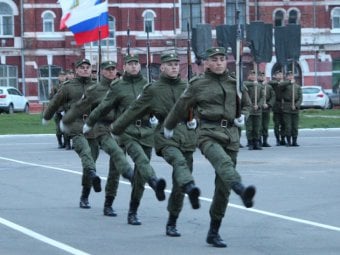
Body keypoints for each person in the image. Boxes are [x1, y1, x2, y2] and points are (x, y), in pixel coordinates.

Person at [163, 47, 256, 248]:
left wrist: (243, 117)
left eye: (222, 59)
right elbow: (181, 106)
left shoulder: (235, 83)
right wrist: (169, 126)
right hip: (208, 133)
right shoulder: (198, 84)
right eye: (215, 60)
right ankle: (240, 188)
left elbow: (247, 105)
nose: (219, 63)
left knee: (223, 188)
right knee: (222, 163)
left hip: (231, 135)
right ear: (207, 63)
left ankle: (214, 232)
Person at [110, 53, 200, 236]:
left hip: (179, 137)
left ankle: (172, 221)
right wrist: (116, 128)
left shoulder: (187, 87)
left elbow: (200, 107)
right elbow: (132, 110)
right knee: (145, 168)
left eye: (176, 64)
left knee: (177, 183)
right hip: (151, 135)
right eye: (170, 64)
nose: (174, 67)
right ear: (162, 68)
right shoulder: (152, 89)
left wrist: (195, 120)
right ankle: (134, 208)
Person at [83, 54, 167, 225]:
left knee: (140, 173)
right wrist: (90, 122)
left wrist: (156, 117)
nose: (134, 66)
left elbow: (159, 105)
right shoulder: (118, 86)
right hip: (124, 131)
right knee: (117, 169)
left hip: (145, 131)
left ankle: (133, 211)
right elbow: (104, 106)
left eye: (136, 63)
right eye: (130, 64)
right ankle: (109, 203)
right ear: (126, 67)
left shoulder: (147, 86)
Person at [62, 60, 135, 216]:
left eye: (113, 69)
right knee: (91, 161)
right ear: (102, 72)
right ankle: (85, 195)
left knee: (116, 167)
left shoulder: (122, 88)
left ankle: (109, 203)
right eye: (107, 70)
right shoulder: (95, 89)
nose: (111, 72)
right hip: (96, 129)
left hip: (117, 130)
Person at [42, 58, 102, 208]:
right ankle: (93, 176)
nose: (85, 70)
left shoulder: (96, 86)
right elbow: (55, 102)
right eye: (82, 67)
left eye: (88, 67)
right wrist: (47, 116)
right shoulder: (68, 87)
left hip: (92, 126)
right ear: (77, 70)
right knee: (85, 153)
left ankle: (85, 195)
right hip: (75, 125)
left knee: (90, 162)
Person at [279, 71, 302, 146]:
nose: (290, 77)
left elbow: (300, 97)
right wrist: (289, 82)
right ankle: (288, 141)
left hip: (295, 107)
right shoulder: (285, 85)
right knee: (288, 126)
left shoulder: (297, 86)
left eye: (291, 75)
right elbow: (280, 85)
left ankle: (294, 141)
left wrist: (296, 105)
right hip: (287, 107)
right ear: (286, 77)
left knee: (295, 126)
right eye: (289, 76)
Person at [244, 70, 265, 150]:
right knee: (249, 128)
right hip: (249, 110)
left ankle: (256, 143)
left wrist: (258, 105)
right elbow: (243, 86)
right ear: (248, 76)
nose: (253, 76)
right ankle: (250, 143)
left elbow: (263, 97)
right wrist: (253, 83)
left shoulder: (259, 86)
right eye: (251, 75)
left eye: (254, 75)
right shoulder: (246, 84)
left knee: (257, 128)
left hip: (257, 110)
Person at [49, 70, 66, 149]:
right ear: (58, 77)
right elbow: (51, 98)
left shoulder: (68, 86)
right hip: (58, 111)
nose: (62, 77)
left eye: (63, 76)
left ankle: (67, 143)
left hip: (67, 110)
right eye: (61, 76)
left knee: (67, 128)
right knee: (59, 129)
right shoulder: (55, 87)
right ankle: (60, 142)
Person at [258, 71, 276, 147]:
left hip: (266, 109)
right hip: (258, 109)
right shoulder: (256, 86)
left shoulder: (269, 87)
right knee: (259, 126)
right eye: (260, 76)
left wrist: (268, 104)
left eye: (263, 76)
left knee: (265, 125)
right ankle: (258, 141)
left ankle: (265, 141)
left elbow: (273, 96)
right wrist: (261, 104)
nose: (262, 77)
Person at [268, 70, 285, 146]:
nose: (280, 76)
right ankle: (277, 139)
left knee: (284, 124)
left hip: (284, 105)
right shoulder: (274, 83)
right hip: (276, 106)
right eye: (278, 74)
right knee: (277, 124)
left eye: (281, 74)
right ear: (275, 76)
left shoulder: (285, 83)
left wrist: (282, 82)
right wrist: (278, 82)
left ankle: (283, 139)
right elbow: (270, 82)